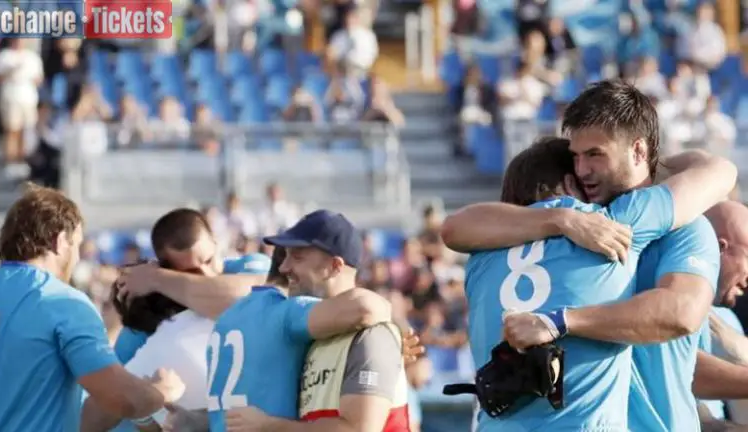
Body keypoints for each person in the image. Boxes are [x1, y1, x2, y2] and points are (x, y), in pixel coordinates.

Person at [440, 80, 738, 431]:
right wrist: (563, 218)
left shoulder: (684, 229)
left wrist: (561, 321)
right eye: (576, 157)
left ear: (639, 151)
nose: (582, 169)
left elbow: (679, 319)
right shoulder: (583, 224)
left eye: (595, 154)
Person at [0, 184, 184, 431]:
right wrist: (161, 392)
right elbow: (121, 398)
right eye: (76, 244)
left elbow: (87, 417)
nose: (76, 258)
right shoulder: (62, 302)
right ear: (60, 241)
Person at [84, 208, 272, 431]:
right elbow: (93, 414)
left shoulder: (246, 266)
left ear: (215, 240)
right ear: (170, 269)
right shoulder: (154, 320)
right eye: (191, 271)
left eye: (209, 260)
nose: (207, 274)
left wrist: (155, 278)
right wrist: (151, 397)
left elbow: (250, 300)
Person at [225, 209, 410, 431]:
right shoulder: (310, 335)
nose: (283, 268)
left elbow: (358, 430)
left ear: (334, 266)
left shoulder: (371, 335)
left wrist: (268, 426)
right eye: (285, 256)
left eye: (297, 257)